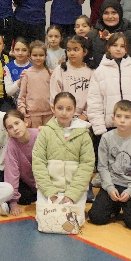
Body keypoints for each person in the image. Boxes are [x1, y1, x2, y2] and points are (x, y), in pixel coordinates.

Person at [32, 92, 95, 229]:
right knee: (46, 223)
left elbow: (87, 165)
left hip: (74, 190)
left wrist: (72, 195)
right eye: (60, 108)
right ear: (53, 109)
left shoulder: (84, 134)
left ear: (75, 110)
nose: (64, 113)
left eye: (69, 109)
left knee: (72, 224)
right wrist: (50, 192)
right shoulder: (45, 132)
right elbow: (38, 163)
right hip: (49, 190)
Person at [87, 101, 131, 229]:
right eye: (119, 116)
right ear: (113, 119)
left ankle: (124, 208)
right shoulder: (106, 138)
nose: (122, 120)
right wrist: (109, 188)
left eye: (127, 117)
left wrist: (130, 190)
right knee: (96, 217)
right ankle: (114, 207)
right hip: (112, 184)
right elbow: (102, 167)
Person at [87, 33, 131, 138]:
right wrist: (99, 128)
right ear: (108, 47)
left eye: (122, 46)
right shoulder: (99, 72)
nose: (118, 49)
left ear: (127, 49)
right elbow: (94, 103)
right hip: (108, 129)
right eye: (114, 45)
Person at [49, 35, 94, 122]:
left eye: (76, 50)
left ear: (85, 52)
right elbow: (54, 94)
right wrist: (60, 112)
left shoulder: (91, 72)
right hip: (62, 116)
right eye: (69, 50)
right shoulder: (60, 70)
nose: (72, 53)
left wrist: (84, 115)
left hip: (83, 119)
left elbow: (93, 96)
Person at [0, 109, 37, 213]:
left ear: (25, 122)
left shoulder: (39, 135)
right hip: (29, 182)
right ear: (8, 132)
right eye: (10, 127)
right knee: (26, 198)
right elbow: (12, 173)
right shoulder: (11, 146)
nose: (15, 129)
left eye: (17, 123)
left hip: (46, 181)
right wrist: (13, 202)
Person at [16, 40, 53, 128]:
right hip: (33, 114)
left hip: (50, 113)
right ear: (30, 56)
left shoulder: (51, 73)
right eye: (35, 55)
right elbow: (22, 95)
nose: (38, 58)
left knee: (49, 135)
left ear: (45, 56)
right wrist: (22, 108)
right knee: (35, 135)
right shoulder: (26, 74)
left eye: (41, 55)